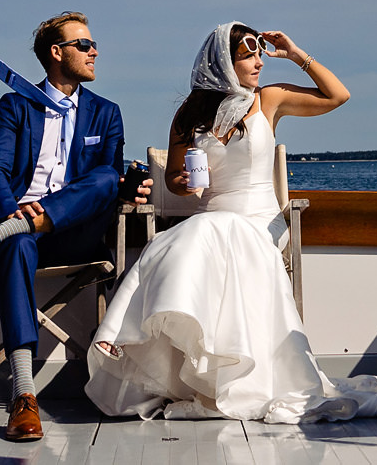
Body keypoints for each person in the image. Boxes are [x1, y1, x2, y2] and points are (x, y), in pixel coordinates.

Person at [85, 22, 352, 422]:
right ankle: (186, 373)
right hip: (208, 218)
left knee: (198, 236)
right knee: (193, 235)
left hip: (260, 221)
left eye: (259, 55)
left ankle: (208, 369)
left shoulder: (269, 100)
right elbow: (175, 179)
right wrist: (183, 184)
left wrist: (296, 54)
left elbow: (338, 96)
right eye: (249, 56)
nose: (259, 62)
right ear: (224, 62)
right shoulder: (189, 114)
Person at [0, 11, 152, 442]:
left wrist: (130, 188)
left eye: (93, 44)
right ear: (57, 53)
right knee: (19, 245)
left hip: (76, 236)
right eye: (84, 45)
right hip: (20, 234)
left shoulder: (106, 114)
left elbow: (106, 184)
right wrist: (15, 218)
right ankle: (24, 396)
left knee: (109, 176)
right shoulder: (15, 105)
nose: (94, 51)